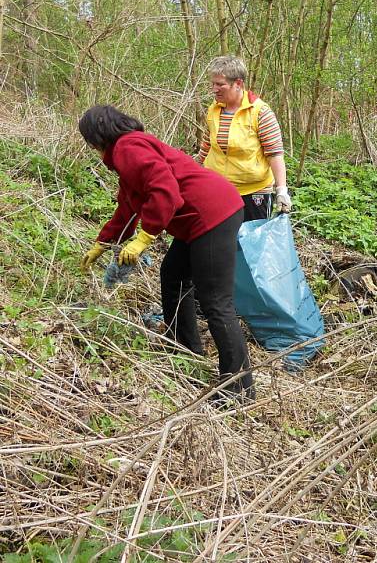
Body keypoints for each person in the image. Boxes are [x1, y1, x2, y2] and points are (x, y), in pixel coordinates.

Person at [78, 105, 254, 404]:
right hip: (199, 219)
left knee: (215, 302)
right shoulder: (127, 151)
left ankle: (239, 389)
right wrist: (103, 242)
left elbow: (165, 190)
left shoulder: (128, 147)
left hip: (213, 214)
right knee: (173, 276)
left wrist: (145, 238)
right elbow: (128, 205)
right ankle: (184, 350)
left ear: (97, 134)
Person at [197, 55, 291, 221]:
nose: (214, 89)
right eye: (213, 84)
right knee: (221, 244)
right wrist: (190, 169)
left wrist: (282, 190)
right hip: (218, 189)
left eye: (220, 84)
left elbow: (275, 154)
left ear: (238, 84)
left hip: (254, 193)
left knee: (250, 244)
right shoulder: (214, 109)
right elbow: (206, 145)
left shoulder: (260, 112)